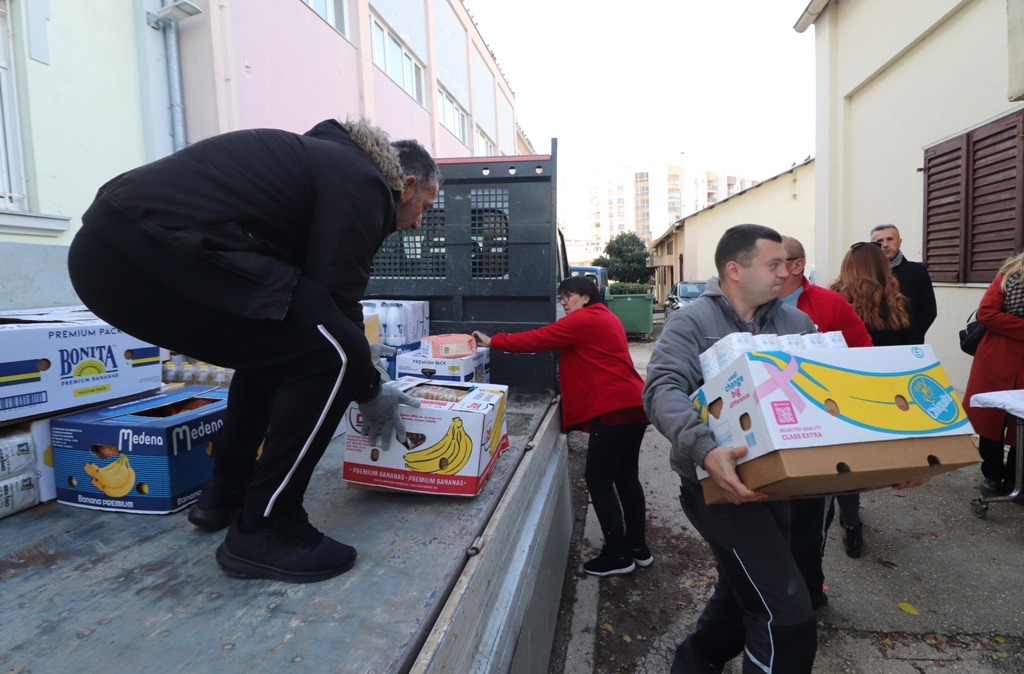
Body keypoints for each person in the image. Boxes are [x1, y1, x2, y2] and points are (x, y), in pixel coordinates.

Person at [67, 119, 440, 583]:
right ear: (405, 185)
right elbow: (334, 303)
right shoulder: (360, 178)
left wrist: (356, 356)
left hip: (105, 259)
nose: (418, 222)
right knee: (333, 353)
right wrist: (369, 386)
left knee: (280, 346)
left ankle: (226, 491)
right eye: (424, 207)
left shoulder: (320, 166)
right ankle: (268, 528)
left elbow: (299, 309)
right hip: (151, 247)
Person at [645, 224, 819, 674]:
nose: (788, 272)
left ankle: (695, 662)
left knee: (743, 592)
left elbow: (824, 398)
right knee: (786, 612)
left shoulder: (796, 324)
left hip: (786, 485)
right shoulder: (692, 322)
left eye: (789, 262)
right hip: (717, 487)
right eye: (775, 264)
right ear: (734, 269)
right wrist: (704, 448)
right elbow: (663, 388)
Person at [473, 276, 651, 576]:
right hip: (634, 405)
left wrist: (495, 341)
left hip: (614, 409)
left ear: (585, 297)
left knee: (598, 480)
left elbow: (539, 339)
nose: (564, 302)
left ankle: (619, 557)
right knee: (626, 479)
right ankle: (638, 549)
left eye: (568, 296)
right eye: (562, 297)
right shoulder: (606, 317)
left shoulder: (585, 320)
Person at [777, 236, 873, 608]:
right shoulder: (748, 303)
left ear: (797, 266)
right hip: (772, 433)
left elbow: (863, 354)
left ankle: (809, 593)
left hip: (819, 431)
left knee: (809, 520)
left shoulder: (829, 304)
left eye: (774, 262)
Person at [828, 241, 914, 558]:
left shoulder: (833, 298)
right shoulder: (898, 301)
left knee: (842, 456)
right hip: (883, 389)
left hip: (842, 386)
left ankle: (846, 518)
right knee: (863, 455)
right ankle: (852, 525)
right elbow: (910, 346)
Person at [964, 252, 1024, 497]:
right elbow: (986, 313)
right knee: (992, 422)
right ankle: (992, 475)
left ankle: (1015, 480)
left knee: (1022, 425)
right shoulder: (1009, 275)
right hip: (997, 358)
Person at [870, 224, 937, 344]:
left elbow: (929, 310)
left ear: (899, 242)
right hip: (873, 346)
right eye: (879, 241)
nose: (885, 244)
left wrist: (911, 337)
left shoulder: (917, 271)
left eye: (890, 239)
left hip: (909, 346)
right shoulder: (866, 274)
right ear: (872, 246)